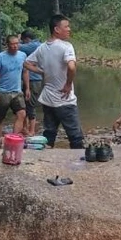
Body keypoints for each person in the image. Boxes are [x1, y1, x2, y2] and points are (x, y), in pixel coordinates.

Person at [24, 15, 84, 149]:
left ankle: (45, 162)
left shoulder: (42, 48)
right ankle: (80, 166)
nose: (69, 29)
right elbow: (72, 67)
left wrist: (42, 71)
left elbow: (27, 63)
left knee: (49, 134)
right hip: (64, 99)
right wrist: (68, 84)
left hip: (48, 99)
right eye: (66, 26)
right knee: (75, 136)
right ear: (56, 29)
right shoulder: (66, 46)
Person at [0, 35, 29, 148]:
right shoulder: (0, 57)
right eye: (12, 44)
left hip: (17, 91)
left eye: (17, 43)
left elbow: (25, 72)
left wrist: (27, 88)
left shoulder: (22, 56)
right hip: (2, 92)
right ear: (7, 45)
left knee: (22, 114)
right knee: (0, 119)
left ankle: (12, 139)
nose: (15, 46)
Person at [18, 30, 43, 136]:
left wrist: (18, 39)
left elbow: (15, 45)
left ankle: (31, 131)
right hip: (36, 79)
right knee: (27, 105)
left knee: (29, 105)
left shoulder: (32, 46)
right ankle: (26, 128)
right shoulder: (41, 45)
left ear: (27, 39)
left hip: (33, 80)